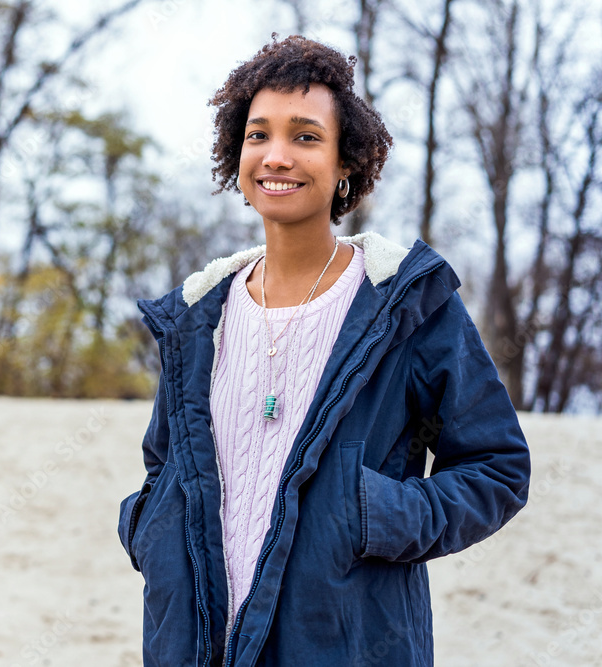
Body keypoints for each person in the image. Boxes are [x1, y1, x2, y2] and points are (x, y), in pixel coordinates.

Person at [116, 34, 531, 667]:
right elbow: (163, 463)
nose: (277, 156)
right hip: (192, 644)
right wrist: (152, 528)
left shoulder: (407, 306)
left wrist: (376, 516)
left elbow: (497, 467)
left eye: (305, 136)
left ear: (345, 163)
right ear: (236, 151)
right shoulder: (200, 315)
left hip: (346, 643)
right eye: (259, 135)